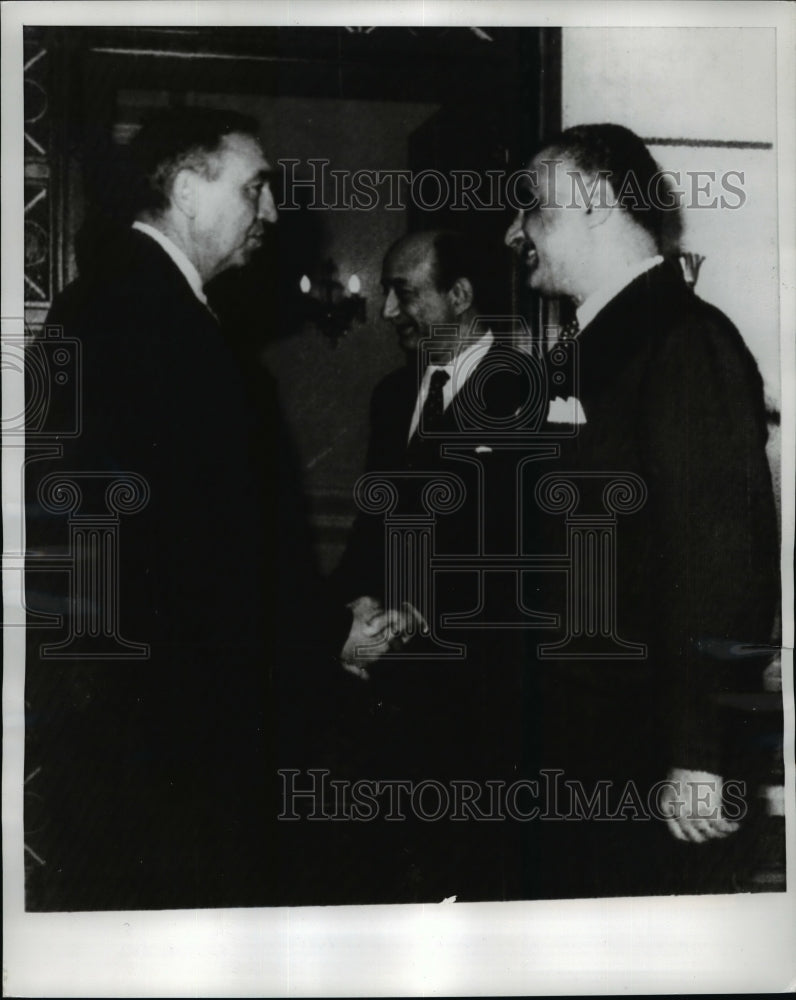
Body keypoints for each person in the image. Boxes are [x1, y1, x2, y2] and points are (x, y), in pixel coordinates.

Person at [24, 108, 348, 909]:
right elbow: (217, 548)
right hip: (167, 719)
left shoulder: (111, 300)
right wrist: (324, 631)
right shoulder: (157, 320)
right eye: (256, 186)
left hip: (124, 704)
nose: (271, 212)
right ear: (185, 189)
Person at [504, 123, 780, 897]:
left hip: (648, 751)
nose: (514, 229)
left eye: (531, 206)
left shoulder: (686, 339)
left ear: (592, 200)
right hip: (584, 737)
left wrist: (700, 751)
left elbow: (720, 556)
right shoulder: (598, 345)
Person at [331, 229, 539, 902]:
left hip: (483, 686)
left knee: (471, 869)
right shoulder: (394, 395)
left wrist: (426, 611)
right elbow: (373, 524)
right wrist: (354, 604)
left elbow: (527, 549)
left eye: (405, 292)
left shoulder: (524, 393)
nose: (390, 311)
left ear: (461, 296)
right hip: (394, 678)